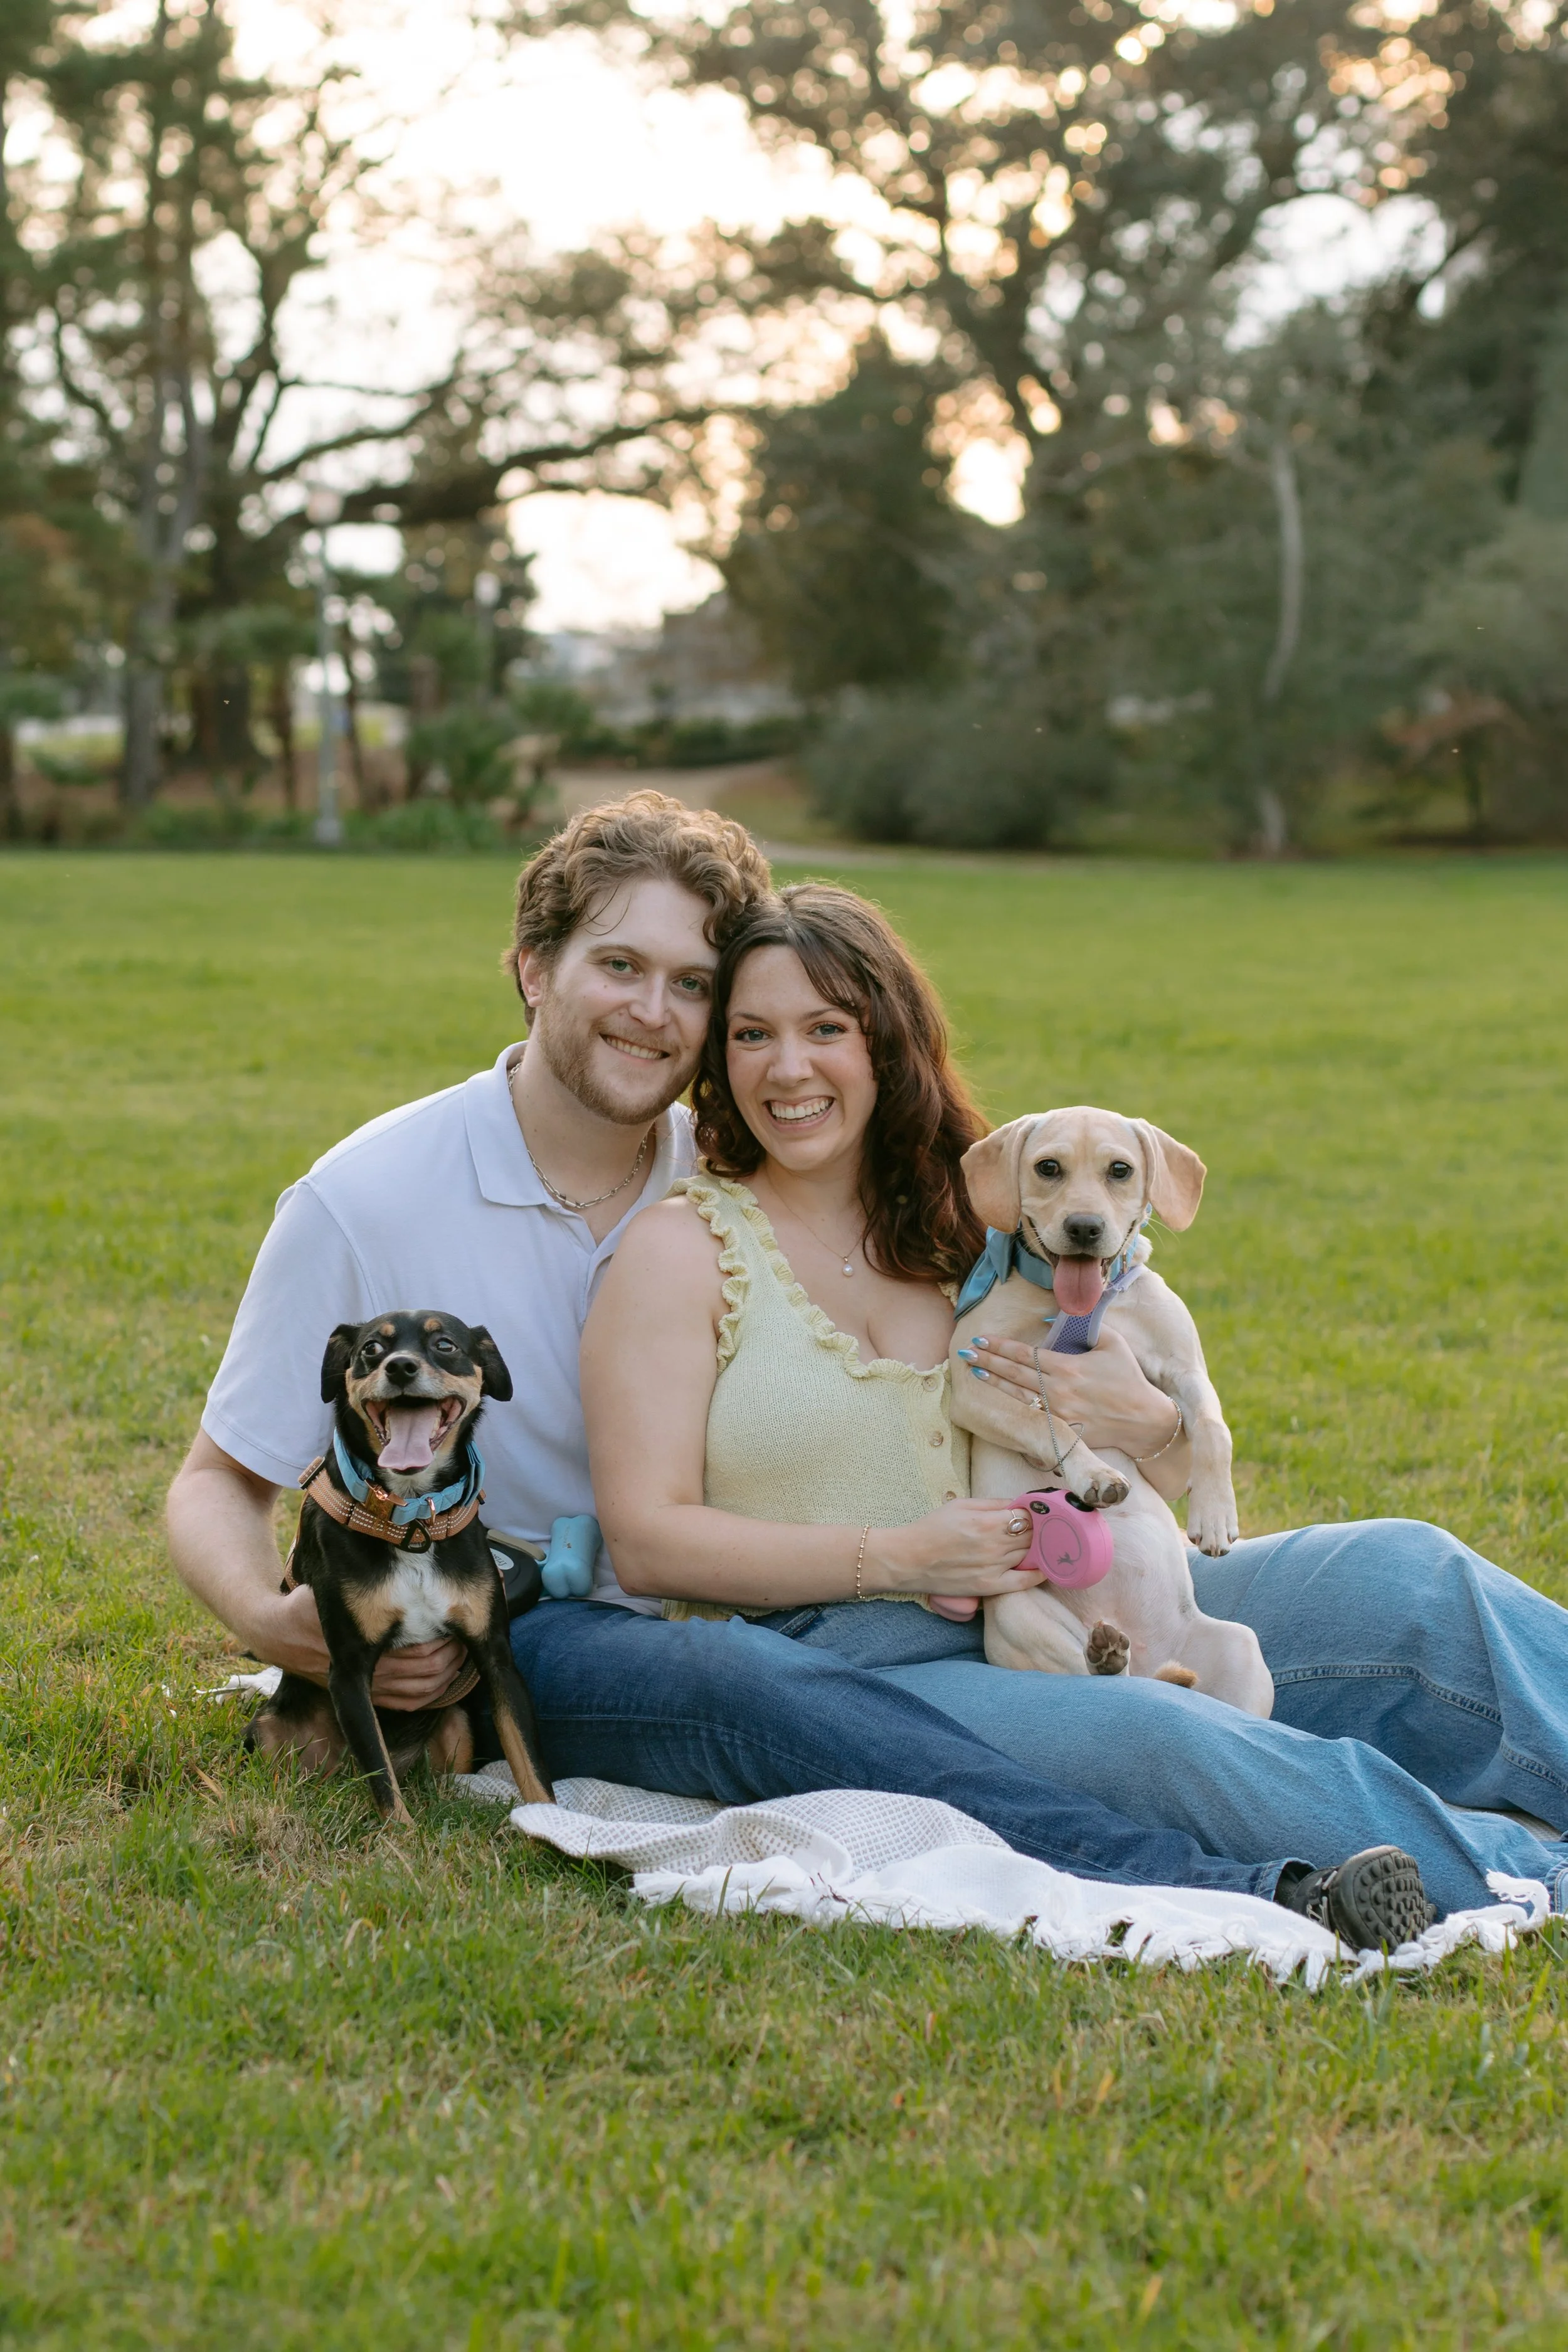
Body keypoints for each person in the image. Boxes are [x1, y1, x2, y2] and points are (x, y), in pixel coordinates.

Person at [169, 790, 1365, 1916]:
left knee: (1396, 1582)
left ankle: (1536, 1841)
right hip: (549, 1615)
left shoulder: (759, 1154)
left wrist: (1161, 1431)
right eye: (618, 965)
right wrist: (280, 1625)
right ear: (533, 970)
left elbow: (1062, 1319)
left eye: (691, 982)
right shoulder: (367, 1196)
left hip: (910, 1583)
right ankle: (1240, 1878)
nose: (654, 1010)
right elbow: (221, 1478)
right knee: (769, 1689)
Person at [582, 881, 1568, 1924]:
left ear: (886, 1046)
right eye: (752, 1033)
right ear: (719, 1059)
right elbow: (647, 1541)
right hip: (870, 1664)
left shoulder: (1001, 1222)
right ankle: (1525, 1871)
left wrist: (1156, 1424)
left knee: (1408, 1572)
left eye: (827, 1027)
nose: (789, 1066)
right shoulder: (682, 1250)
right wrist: (899, 1557)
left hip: (1114, 1576)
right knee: (1168, 1736)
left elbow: (1177, 1471)